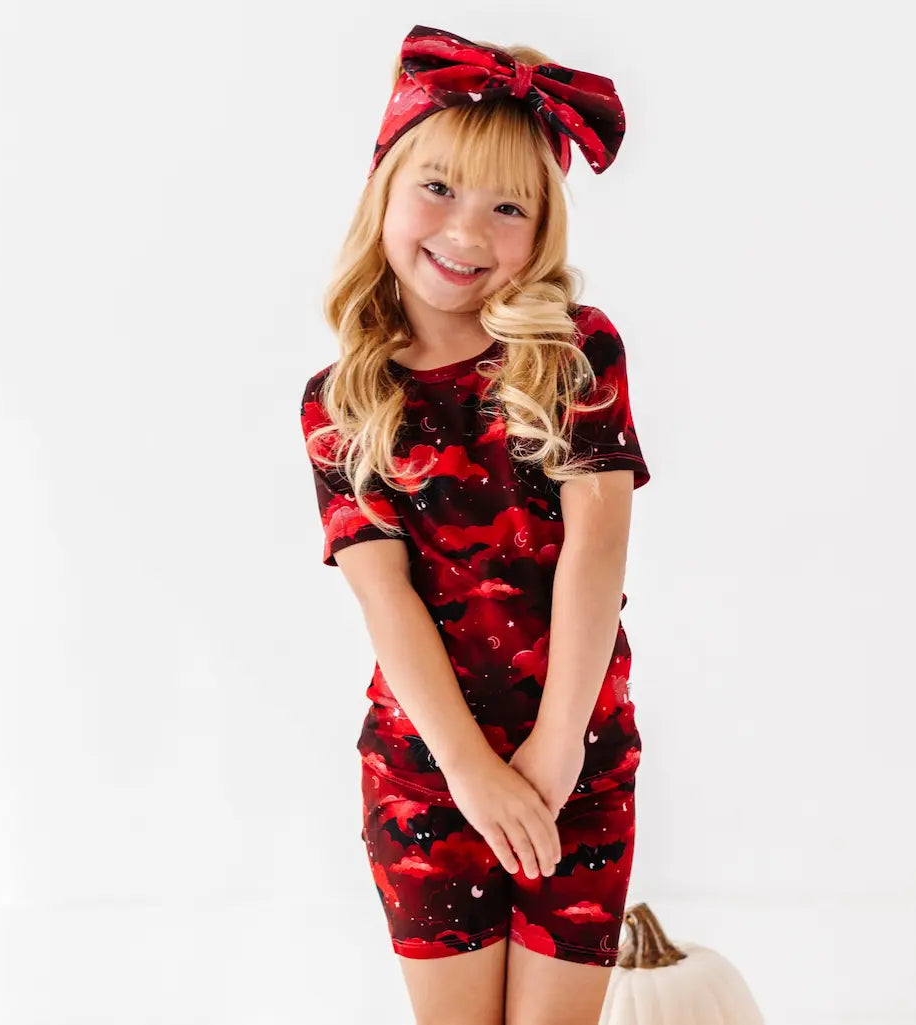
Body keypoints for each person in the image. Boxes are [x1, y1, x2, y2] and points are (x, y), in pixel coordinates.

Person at [298, 24, 651, 1025]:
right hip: (426, 772)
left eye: (508, 207)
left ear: (541, 234)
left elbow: (596, 548)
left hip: (576, 756)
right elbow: (384, 593)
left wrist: (552, 749)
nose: (464, 233)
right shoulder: (340, 399)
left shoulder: (574, 352)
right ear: (385, 190)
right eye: (439, 190)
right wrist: (469, 768)